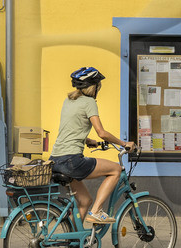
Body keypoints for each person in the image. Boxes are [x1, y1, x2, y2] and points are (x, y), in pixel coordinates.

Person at [50, 67, 135, 228]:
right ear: (93, 87)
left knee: (84, 201)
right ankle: (96, 211)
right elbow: (102, 132)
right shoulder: (89, 103)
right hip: (72, 160)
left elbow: (69, 128)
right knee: (116, 169)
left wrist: (87, 139)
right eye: (98, 86)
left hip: (56, 159)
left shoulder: (68, 101)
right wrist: (125, 144)